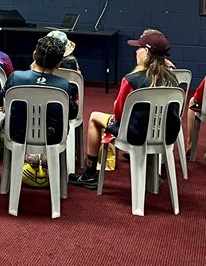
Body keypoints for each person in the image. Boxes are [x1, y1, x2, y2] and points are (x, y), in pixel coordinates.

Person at [70, 30, 180, 190]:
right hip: (165, 134)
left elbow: (119, 113)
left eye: (139, 48)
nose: (136, 51)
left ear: (147, 52)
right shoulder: (173, 79)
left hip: (135, 134)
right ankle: (154, 174)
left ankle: (90, 174)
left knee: (94, 117)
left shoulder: (131, 79)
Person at [2, 35, 77, 160]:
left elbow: (3, 98)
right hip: (52, 136)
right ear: (58, 64)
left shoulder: (16, 77)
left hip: (16, 133)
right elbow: (72, 113)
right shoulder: (64, 85)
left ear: (34, 56)